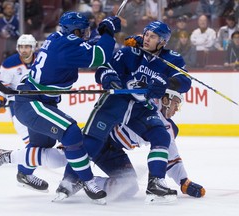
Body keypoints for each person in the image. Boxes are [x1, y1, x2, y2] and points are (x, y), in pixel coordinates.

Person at [0, 11, 121, 204]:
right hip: (33, 103)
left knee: (43, 145)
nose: (86, 34)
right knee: (72, 133)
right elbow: (99, 56)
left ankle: (22, 171)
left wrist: (101, 34)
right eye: (83, 31)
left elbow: (86, 48)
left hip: (37, 99)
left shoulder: (58, 38)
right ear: (74, 30)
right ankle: (88, 181)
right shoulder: (69, 44)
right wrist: (109, 33)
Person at [0, 89, 205, 202]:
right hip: (97, 138)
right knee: (61, 158)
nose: (177, 109)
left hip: (113, 151)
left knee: (128, 187)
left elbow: (171, 156)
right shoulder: (141, 103)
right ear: (166, 99)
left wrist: (184, 182)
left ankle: (87, 182)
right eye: (176, 103)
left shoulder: (166, 127)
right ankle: (8, 156)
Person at [80, 20, 192, 204]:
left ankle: (155, 181)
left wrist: (166, 82)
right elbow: (105, 68)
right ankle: (20, 158)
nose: (147, 39)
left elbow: (184, 81)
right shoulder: (132, 50)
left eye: (153, 37)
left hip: (133, 121)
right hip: (115, 121)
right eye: (146, 34)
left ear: (163, 42)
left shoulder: (172, 59)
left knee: (159, 141)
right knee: (73, 150)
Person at [0, 34, 51, 191]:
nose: (23, 50)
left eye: (27, 47)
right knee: (33, 143)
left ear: (33, 48)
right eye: (21, 47)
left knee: (44, 142)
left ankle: (24, 173)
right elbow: (2, 85)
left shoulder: (41, 60)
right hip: (18, 107)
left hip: (40, 104)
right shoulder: (10, 63)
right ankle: (25, 174)